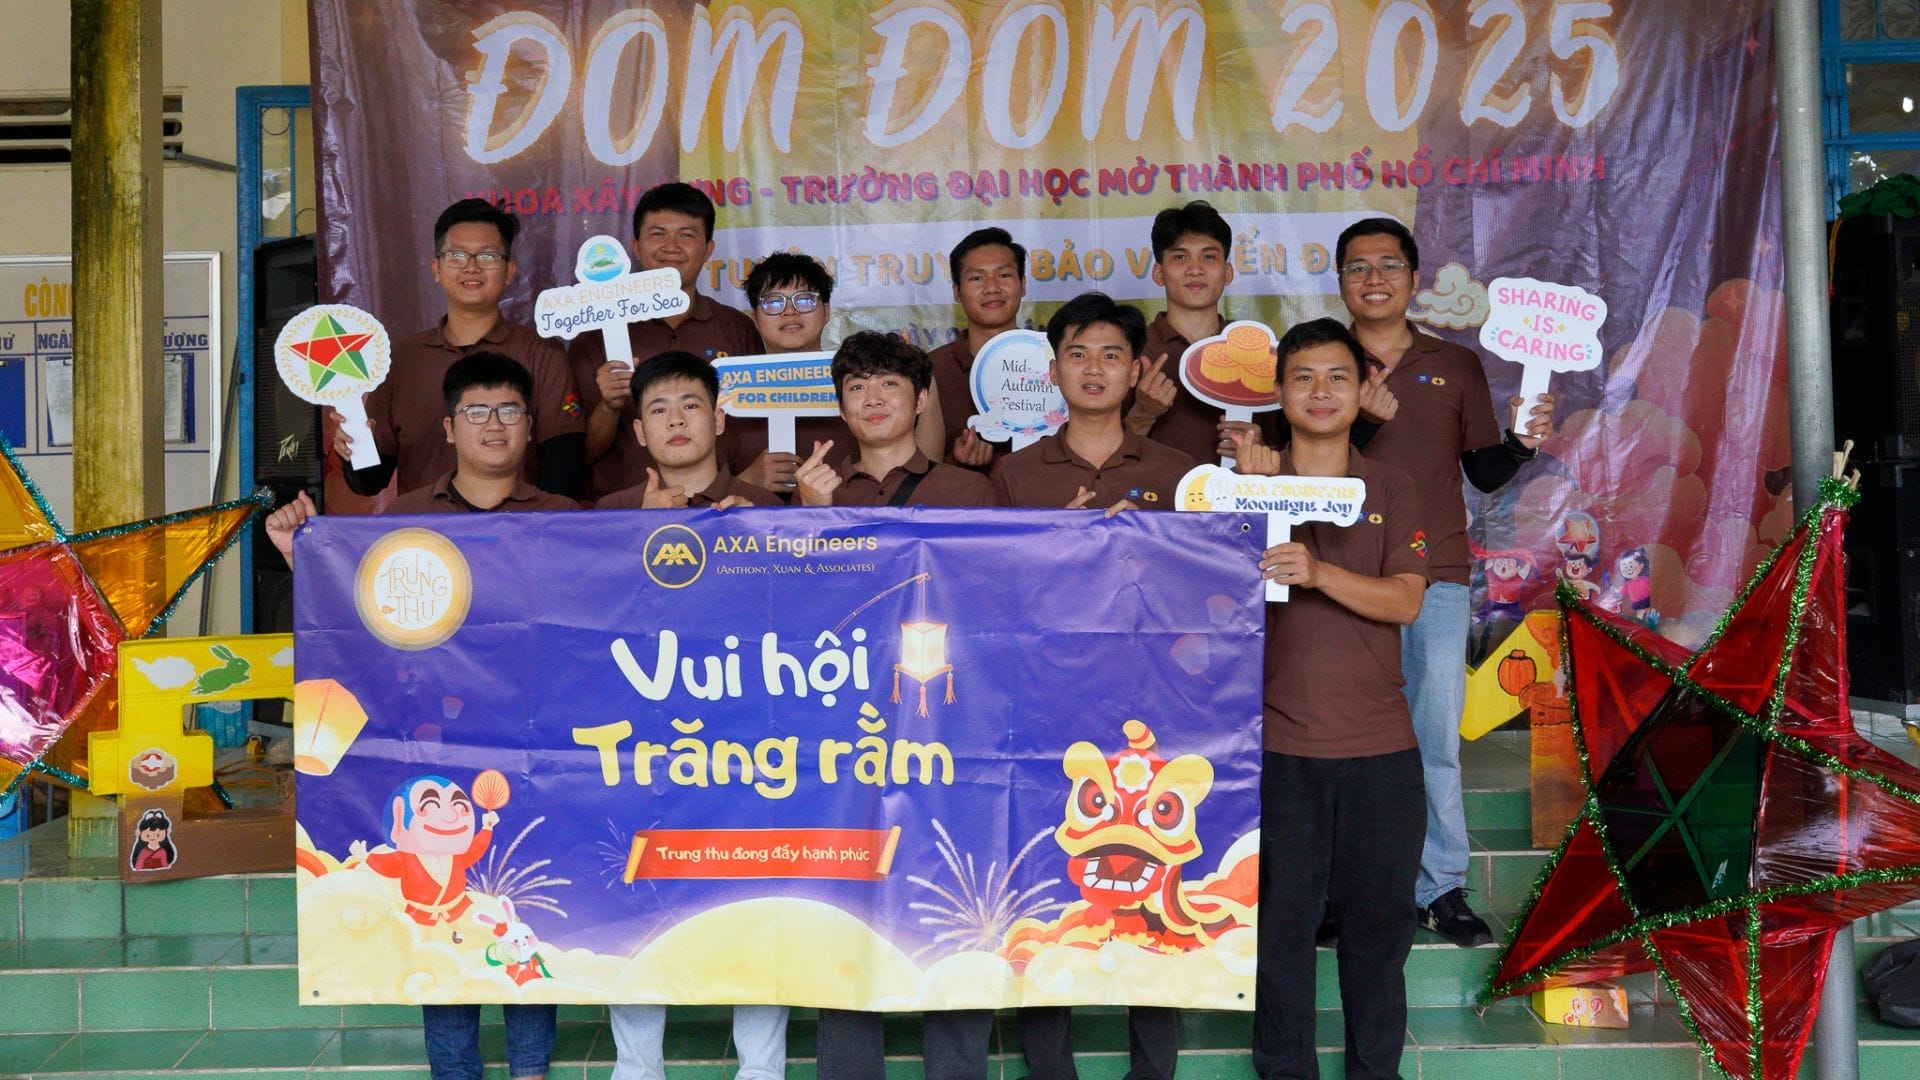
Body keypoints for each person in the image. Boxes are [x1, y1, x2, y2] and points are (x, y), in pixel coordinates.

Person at [265, 352, 570, 1080]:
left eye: (508, 412)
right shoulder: (402, 521)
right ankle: (453, 1071)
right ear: (449, 427)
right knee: (436, 918)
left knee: (525, 919)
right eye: (477, 412)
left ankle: (531, 1069)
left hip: (539, 752)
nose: (493, 426)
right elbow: (350, 615)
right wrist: (298, 558)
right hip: (433, 755)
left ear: (531, 428)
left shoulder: (569, 523)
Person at [1325, 217, 1554, 948]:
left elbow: (1481, 470)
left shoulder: (1452, 364)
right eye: (1357, 268)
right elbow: (1305, 463)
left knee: (1435, 741)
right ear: (1340, 283)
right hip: (1333, 574)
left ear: (1414, 279)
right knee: (1336, 739)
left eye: (1388, 265)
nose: (1373, 279)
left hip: (1435, 575)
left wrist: (1520, 443)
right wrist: (1357, 423)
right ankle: (1340, 890)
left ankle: (1441, 888)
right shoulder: (1320, 360)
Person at [990, 292, 1191, 1079]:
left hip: (1156, 717)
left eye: (1112, 355)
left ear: (1138, 371)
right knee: (1049, 886)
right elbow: (993, 597)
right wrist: (1059, 548)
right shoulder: (1015, 474)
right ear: (1053, 370)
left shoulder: (1181, 474)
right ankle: (1051, 1066)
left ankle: (1153, 1067)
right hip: (1047, 713)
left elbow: (1207, 598)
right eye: (1079, 354)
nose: (1095, 369)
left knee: (1159, 887)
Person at [793, 331, 993, 1077]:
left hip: (950, 731)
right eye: (856, 388)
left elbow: (998, 607)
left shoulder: (970, 490)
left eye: (888, 385)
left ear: (919, 398)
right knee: (842, 895)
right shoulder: (817, 491)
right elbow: (795, 622)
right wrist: (809, 519)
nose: (872, 400)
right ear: (840, 405)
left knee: (954, 891)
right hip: (844, 740)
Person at [1243, 317, 1429, 1080]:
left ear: (1363, 393)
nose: (1321, 392)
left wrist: (1318, 572)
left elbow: (1406, 602)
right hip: (1280, 754)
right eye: (1303, 377)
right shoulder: (1245, 486)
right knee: (1279, 937)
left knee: (1379, 938)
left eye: (1338, 377)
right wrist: (1239, 504)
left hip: (1381, 754)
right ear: (1280, 393)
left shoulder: (1391, 486)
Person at [338, 198, 587, 500]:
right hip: (425, 539)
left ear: (509, 271)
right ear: (436, 268)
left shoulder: (543, 354)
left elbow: (565, 475)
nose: (471, 267)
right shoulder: (400, 360)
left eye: (487, 256)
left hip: (518, 538)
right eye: (456, 255)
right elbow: (368, 481)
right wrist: (353, 446)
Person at [570, 182, 763, 499]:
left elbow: (754, 429)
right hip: (626, 512)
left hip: (721, 509)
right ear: (635, 245)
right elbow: (580, 454)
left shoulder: (737, 328)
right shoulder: (595, 334)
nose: (671, 246)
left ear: (709, 249)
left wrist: (746, 482)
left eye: (686, 235)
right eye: (657, 234)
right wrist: (610, 404)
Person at [718, 252, 857, 494]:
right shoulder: (726, 391)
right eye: (773, 302)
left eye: (804, 300)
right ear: (755, 319)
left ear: (826, 311)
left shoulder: (858, 384)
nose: (789, 311)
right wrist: (747, 481)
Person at [1123, 200, 1245, 464]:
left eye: (1209, 257)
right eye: (1180, 257)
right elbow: (1097, 452)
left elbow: (1288, 451)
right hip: (1147, 502)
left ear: (1228, 272)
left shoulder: (1254, 353)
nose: (1195, 269)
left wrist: (1260, 449)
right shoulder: (1130, 349)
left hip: (1236, 502)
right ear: (1158, 273)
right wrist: (1142, 413)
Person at [593, 351, 782, 510]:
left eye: (690, 406)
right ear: (641, 432)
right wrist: (644, 524)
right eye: (659, 410)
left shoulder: (763, 505)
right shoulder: (614, 509)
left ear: (718, 421)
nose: (676, 420)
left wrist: (754, 533)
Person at [930, 227, 1029, 471]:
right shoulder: (930, 370)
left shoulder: (1054, 363)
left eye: (1004, 275)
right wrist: (956, 461)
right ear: (957, 292)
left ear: (1023, 284)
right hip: (963, 506)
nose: (992, 288)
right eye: (976, 278)